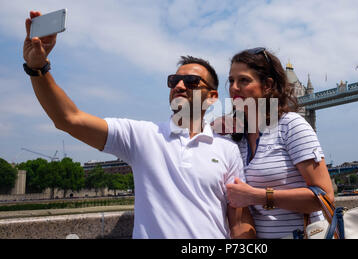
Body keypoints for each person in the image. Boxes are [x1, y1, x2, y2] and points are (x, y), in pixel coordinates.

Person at [22, 10, 255, 239]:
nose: (180, 86)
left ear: (213, 96)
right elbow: (68, 119)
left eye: (192, 82)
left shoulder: (228, 150)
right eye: (174, 80)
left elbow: (240, 222)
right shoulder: (142, 136)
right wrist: (37, 68)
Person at [223, 47, 334, 239]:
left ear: (267, 85)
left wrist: (257, 196)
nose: (234, 87)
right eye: (231, 80)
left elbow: (325, 197)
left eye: (243, 80)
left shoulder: (291, 125)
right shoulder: (235, 138)